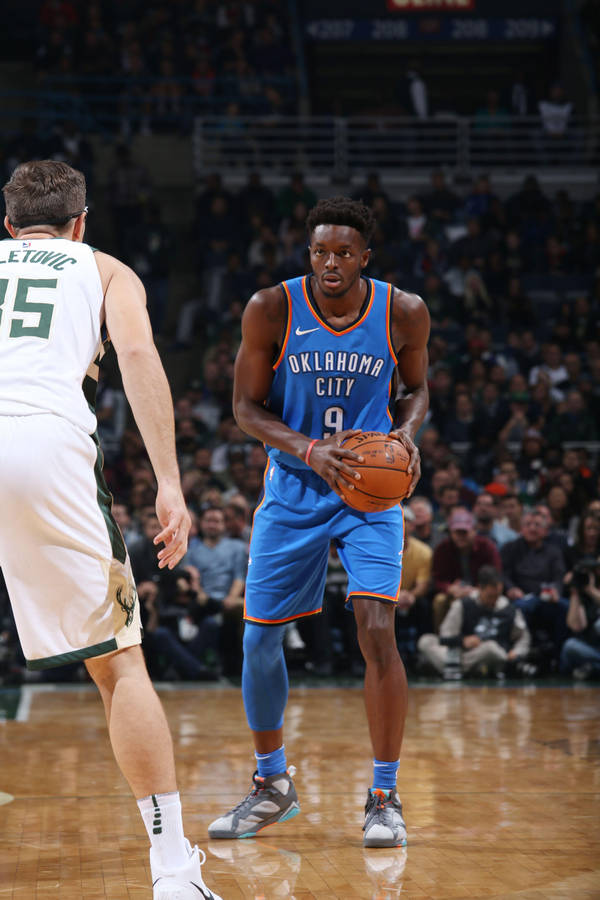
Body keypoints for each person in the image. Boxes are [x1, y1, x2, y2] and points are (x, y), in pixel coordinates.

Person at [0, 160, 221, 900]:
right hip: (42, 444)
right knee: (119, 661)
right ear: (80, 222)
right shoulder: (105, 270)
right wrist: (168, 482)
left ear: (9, 225)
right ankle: (171, 872)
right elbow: (136, 355)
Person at [208, 197, 430, 848]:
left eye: (343, 252)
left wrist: (407, 433)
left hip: (368, 493)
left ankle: (384, 795)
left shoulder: (403, 311)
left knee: (376, 626)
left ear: (365, 256)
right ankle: (272, 784)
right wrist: (308, 449)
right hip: (297, 484)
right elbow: (246, 409)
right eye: (319, 252)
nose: (330, 263)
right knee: (257, 640)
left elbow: (415, 388)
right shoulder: (271, 308)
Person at [418, 566, 530, 678]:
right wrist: (463, 641)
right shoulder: (463, 604)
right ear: (479, 588)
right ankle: (463, 669)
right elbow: (446, 635)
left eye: (497, 596)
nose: (494, 600)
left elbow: (523, 637)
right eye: (490, 596)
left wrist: (517, 652)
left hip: (492, 653)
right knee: (426, 640)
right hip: (463, 653)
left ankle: (453, 669)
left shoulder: (509, 609)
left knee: (491, 649)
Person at [431, 508, 502, 632]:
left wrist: (478, 589)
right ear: (451, 533)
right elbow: (437, 579)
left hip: (481, 590)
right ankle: (443, 636)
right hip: (454, 591)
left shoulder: (487, 547)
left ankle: (485, 634)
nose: (460, 536)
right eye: (456, 532)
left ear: (474, 530)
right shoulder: (442, 549)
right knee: (439, 601)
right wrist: (450, 588)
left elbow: (496, 575)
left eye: (464, 532)